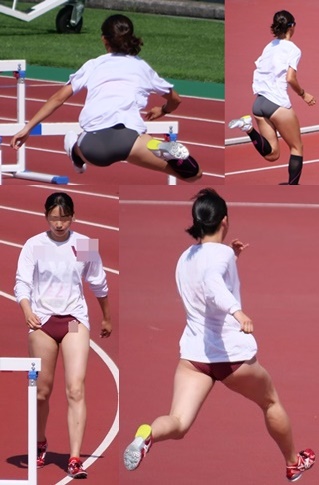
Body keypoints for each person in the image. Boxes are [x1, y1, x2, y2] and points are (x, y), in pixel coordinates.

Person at [123, 188, 315, 482]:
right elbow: (213, 284)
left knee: (178, 422)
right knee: (271, 402)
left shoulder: (185, 257)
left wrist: (232, 257)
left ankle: (147, 436)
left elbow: (206, 276)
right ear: (224, 221)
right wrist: (237, 312)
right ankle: (292, 462)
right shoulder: (221, 256)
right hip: (231, 358)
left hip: (193, 358)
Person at [10, 14, 201, 182]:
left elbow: (58, 98)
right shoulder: (143, 68)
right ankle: (161, 148)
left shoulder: (94, 65)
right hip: (130, 140)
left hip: (93, 147)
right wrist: (163, 110)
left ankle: (75, 150)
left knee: (81, 148)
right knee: (193, 176)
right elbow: (176, 99)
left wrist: (27, 128)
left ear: (104, 39)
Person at [14, 192, 112, 479]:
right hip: (43, 322)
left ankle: (74, 457)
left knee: (75, 388)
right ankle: (41, 443)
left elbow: (98, 281)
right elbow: (21, 283)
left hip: (73, 322)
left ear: (73, 216)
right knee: (42, 391)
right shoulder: (34, 245)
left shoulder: (83, 245)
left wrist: (106, 316)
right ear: (46, 216)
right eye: (54, 218)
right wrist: (26, 309)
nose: (59, 224)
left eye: (64, 218)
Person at [228, 10, 316, 185]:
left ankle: (248, 128)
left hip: (259, 103)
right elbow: (290, 78)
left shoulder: (269, 46)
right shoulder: (293, 49)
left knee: (272, 154)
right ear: (292, 27)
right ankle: (293, 188)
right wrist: (303, 94)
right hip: (277, 103)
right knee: (297, 147)